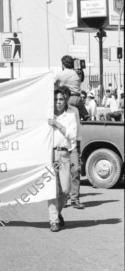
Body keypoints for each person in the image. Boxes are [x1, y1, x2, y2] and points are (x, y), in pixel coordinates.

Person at [47, 87, 77, 232]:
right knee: (52, 189)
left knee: (65, 189)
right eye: (55, 100)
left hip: (64, 155)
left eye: (61, 99)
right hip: (50, 155)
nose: (58, 102)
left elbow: (72, 135)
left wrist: (57, 124)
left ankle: (57, 214)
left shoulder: (70, 116)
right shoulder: (48, 116)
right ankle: (53, 221)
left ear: (65, 101)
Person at [58, 86, 85, 210]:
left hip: (73, 144)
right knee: (62, 173)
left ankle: (75, 198)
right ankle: (63, 198)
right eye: (61, 98)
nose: (63, 100)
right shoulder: (55, 112)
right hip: (61, 146)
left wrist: (78, 141)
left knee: (76, 170)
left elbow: (77, 127)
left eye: (65, 97)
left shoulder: (74, 110)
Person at [54, 55, 88, 120]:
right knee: (86, 117)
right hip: (78, 99)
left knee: (64, 118)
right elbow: (81, 79)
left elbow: (53, 84)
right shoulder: (77, 73)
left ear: (63, 64)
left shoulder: (60, 74)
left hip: (67, 99)